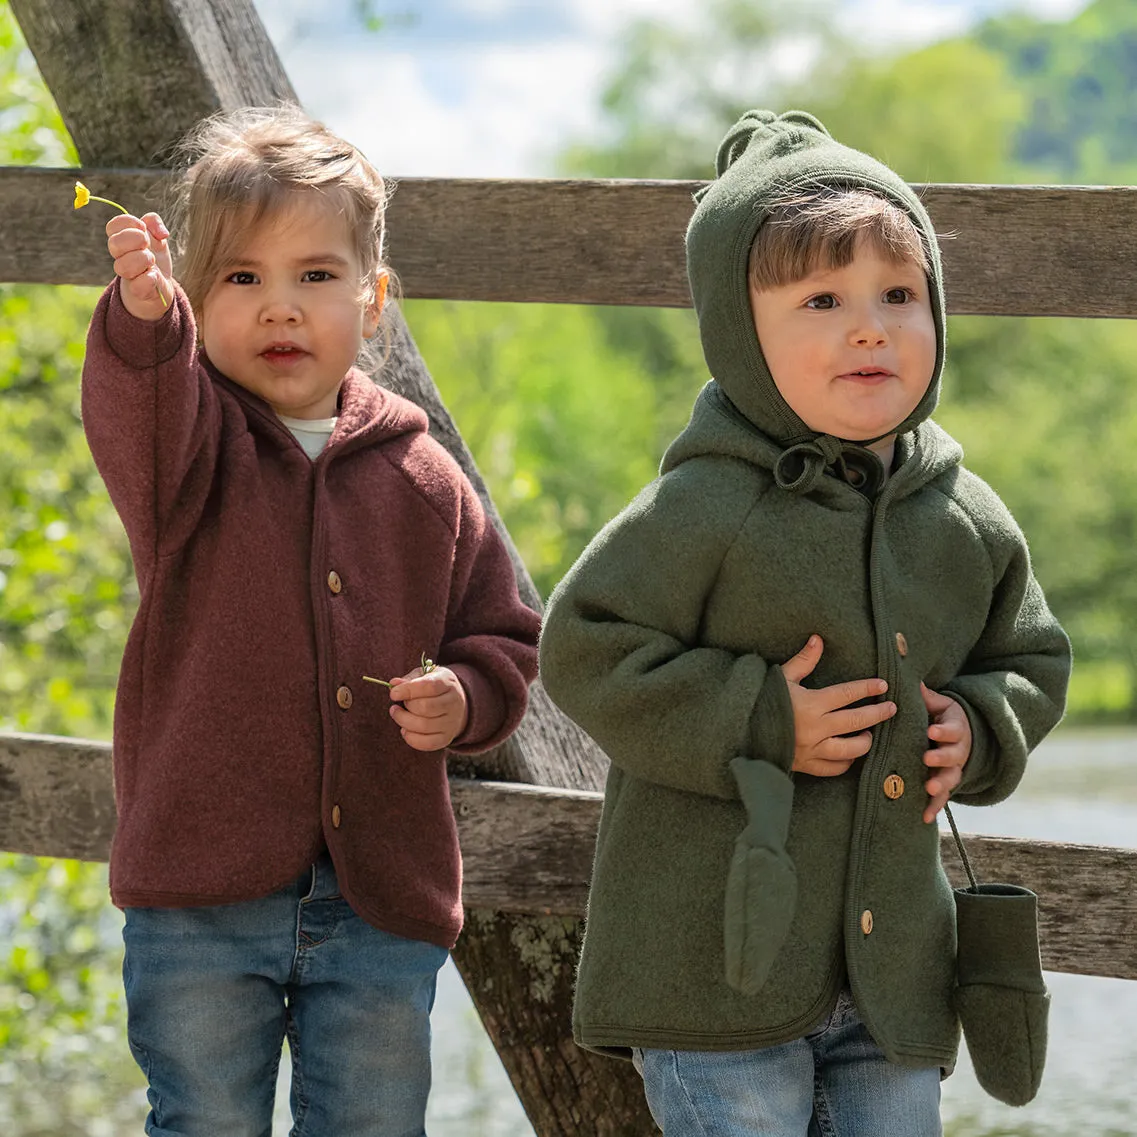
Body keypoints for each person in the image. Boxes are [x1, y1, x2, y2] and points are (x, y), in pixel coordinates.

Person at [538, 109, 1071, 1136]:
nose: (869, 325)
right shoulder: (708, 505)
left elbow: (1033, 654)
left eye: (898, 295)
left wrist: (983, 721)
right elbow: (585, 646)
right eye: (822, 298)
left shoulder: (963, 517)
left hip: (896, 976)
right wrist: (758, 716)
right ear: (741, 334)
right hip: (710, 974)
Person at [80, 105, 540, 1136]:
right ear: (201, 304)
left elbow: (504, 633)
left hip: (381, 903)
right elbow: (138, 403)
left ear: (374, 302)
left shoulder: (427, 481)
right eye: (242, 279)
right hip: (199, 896)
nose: (280, 307)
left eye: (316, 276)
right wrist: (144, 320)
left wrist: (465, 697)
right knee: (201, 1118)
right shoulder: (189, 458)